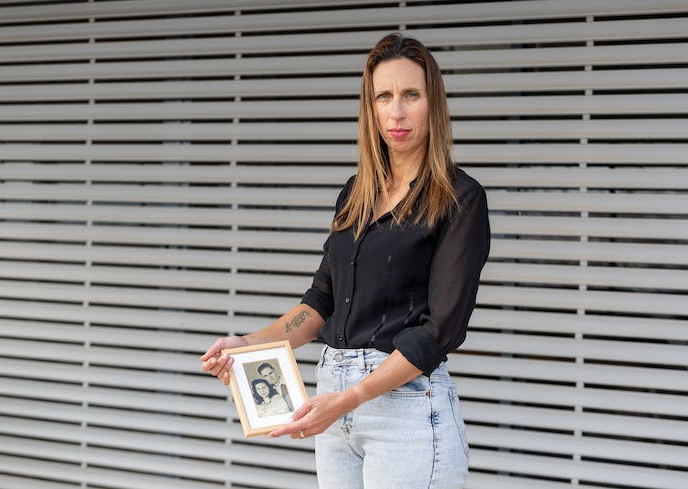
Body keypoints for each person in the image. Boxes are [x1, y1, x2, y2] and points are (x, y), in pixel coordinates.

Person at [201, 33, 490, 489]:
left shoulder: (460, 199)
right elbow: (320, 302)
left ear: (433, 103)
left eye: (411, 95)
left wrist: (352, 397)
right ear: (370, 108)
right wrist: (250, 343)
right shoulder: (356, 194)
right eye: (384, 96)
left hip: (406, 412)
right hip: (335, 399)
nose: (397, 112)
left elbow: (440, 332)